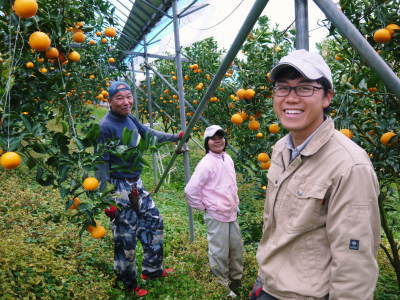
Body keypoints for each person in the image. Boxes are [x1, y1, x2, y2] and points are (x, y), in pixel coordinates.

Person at [250, 49, 380, 300]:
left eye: (304, 88)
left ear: (327, 97)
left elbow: (355, 264)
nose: (291, 98)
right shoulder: (280, 149)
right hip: (269, 286)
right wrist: (263, 278)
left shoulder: (350, 166)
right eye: (283, 88)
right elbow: (276, 229)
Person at [96, 81, 184, 297]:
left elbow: (148, 133)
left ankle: (152, 270)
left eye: (128, 97)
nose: (126, 102)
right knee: (126, 236)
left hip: (136, 183)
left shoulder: (130, 118)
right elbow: (100, 164)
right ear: (110, 101)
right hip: (118, 186)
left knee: (154, 222)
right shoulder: (105, 126)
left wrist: (174, 138)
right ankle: (128, 284)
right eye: (119, 98)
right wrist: (107, 199)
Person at [184, 125, 244, 298]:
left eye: (220, 137)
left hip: (231, 212)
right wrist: (204, 207)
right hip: (216, 215)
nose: (217, 140)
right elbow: (190, 190)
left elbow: (231, 184)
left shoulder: (227, 158)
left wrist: (235, 202)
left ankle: (236, 281)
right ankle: (222, 287)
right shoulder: (206, 163)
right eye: (213, 138)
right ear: (206, 142)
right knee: (219, 252)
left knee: (236, 249)